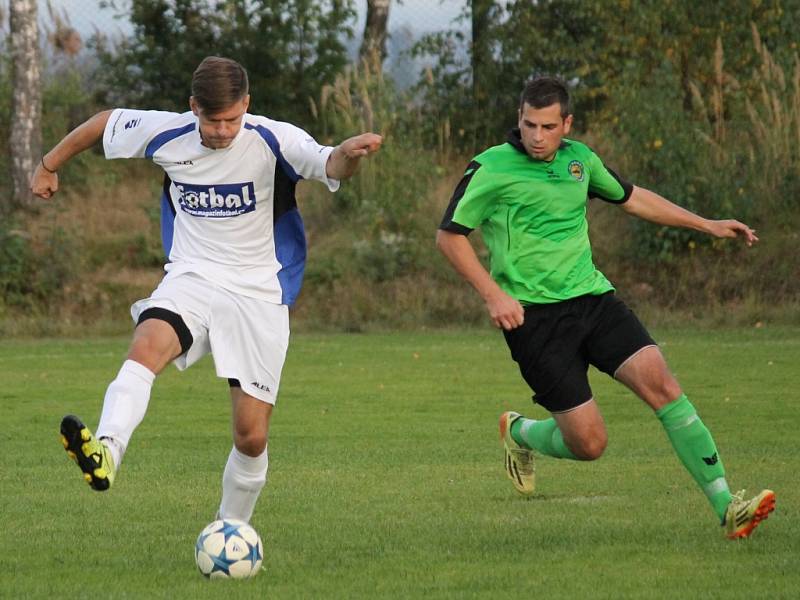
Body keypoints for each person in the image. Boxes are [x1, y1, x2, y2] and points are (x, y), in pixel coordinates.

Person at [30, 56, 382, 524]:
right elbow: (103, 123)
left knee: (250, 436)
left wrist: (349, 155)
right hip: (192, 276)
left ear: (247, 105)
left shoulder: (273, 138)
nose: (221, 130)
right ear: (193, 106)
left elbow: (327, 161)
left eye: (232, 118)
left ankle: (231, 529)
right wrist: (49, 164)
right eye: (212, 119)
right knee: (145, 345)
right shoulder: (168, 133)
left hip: (259, 291)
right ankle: (107, 451)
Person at [436, 77, 775, 539]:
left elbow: (632, 198)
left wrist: (706, 224)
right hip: (534, 320)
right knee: (590, 444)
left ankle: (727, 506)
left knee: (664, 385)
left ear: (567, 124)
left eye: (548, 126)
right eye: (529, 124)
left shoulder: (581, 161)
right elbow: (449, 235)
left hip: (593, 301)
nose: (537, 135)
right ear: (519, 119)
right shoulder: (491, 167)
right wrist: (493, 294)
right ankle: (520, 433)